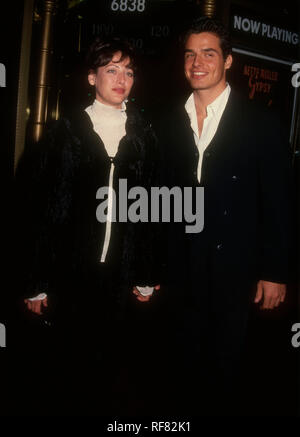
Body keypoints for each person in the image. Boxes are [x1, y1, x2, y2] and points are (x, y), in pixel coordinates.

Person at [154, 17, 293, 415]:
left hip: (237, 273)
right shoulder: (166, 123)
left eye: (208, 53)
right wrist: (152, 266)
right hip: (181, 273)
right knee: (180, 373)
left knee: (226, 375)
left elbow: (279, 202)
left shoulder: (262, 123)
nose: (197, 62)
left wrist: (275, 270)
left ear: (228, 61)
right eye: (190, 54)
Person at [13, 37, 160, 414]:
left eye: (128, 71)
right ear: (91, 77)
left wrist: (145, 272)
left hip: (119, 277)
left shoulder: (144, 136)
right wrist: (36, 281)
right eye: (111, 69)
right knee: (64, 370)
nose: (121, 78)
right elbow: (38, 212)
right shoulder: (63, 134)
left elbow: (150, 211)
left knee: (112, 372)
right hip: (69, 275)